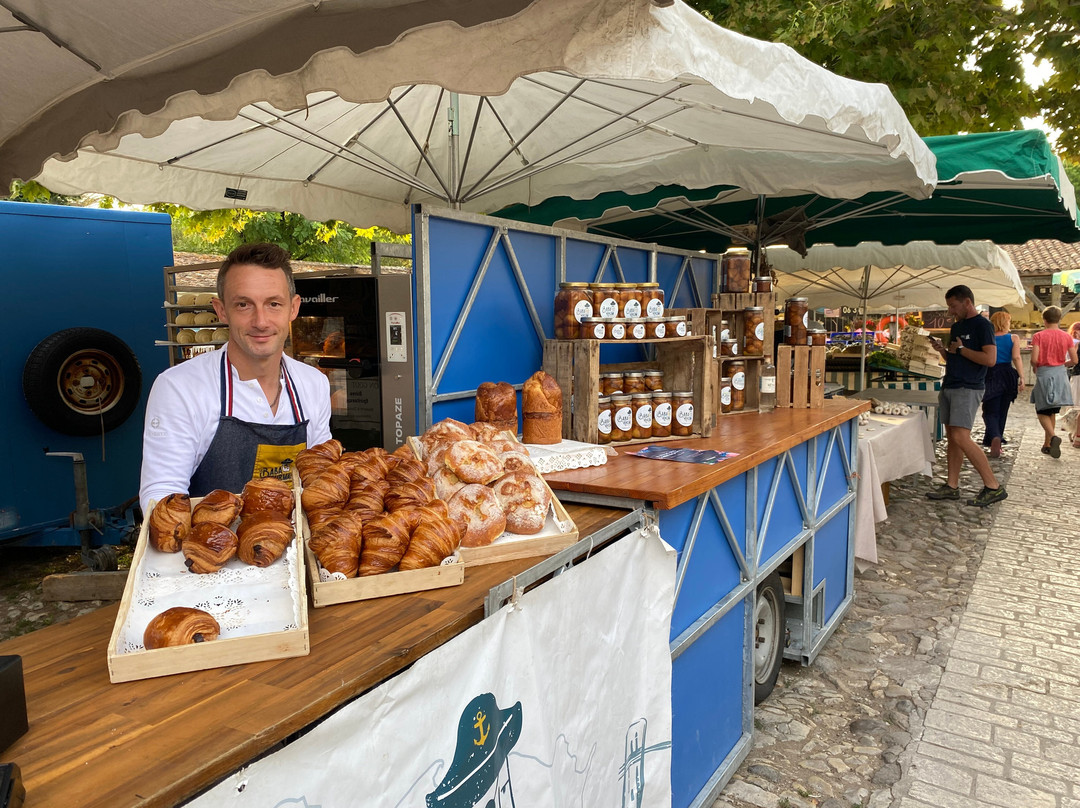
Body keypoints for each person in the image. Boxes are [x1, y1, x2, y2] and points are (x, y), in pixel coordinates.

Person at [140, 243, 332, 511]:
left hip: (297, 548)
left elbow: (322, 480)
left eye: (274, 304)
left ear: (293, 308)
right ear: (221, 310)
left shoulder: (314, 384)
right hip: (211, 548)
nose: (261, 321)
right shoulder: (179, 388)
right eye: (244, 304)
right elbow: (160, 499)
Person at [925, 285, 1007, 507]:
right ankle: (952, 486)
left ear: (967, 302)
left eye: (953, 306)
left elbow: (990, 359)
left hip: (968, 387)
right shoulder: (958, 326)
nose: (951, 311)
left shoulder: (983, 325)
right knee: (953, 437)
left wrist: (961, 350)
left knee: (961, 437)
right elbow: (955, 357)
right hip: (951, 384)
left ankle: (993, 486)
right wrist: (943, 350)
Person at [1029, 306, 1077, 458]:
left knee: (1041, 409)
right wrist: (1062, 365)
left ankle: (1053, 436)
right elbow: (1074, 360)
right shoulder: (1067, 337)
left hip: (1044, 373)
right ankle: (1047, 444)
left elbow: (1034, 359)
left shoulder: (1039, 336)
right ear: (1059, 319)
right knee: (1052, 410)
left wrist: (1035, 367)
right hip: (1060, 374)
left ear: (1044, 319)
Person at [979, 311, 1024, 458]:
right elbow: (1016, 357)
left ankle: (994, 437)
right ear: (1006, 323)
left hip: (990, 374)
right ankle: (996, 438)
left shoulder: (987, 338)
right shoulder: (1013, 338)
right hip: (1007, 374)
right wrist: (1022, 377)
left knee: (989, 410)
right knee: (1002, 410)